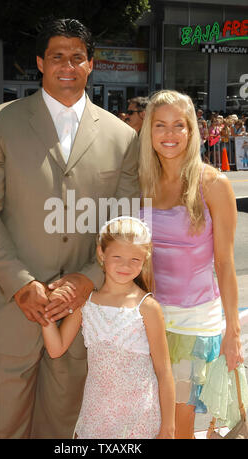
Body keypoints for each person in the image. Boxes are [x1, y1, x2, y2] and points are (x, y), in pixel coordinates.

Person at [0, 18, 139, 439]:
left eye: (78, 57)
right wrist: (20, 282)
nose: (67, 65)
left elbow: (126, 223)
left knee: (62, 431)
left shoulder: (121, 136)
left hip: (82, 317)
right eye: (57, 56)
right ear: (40, 62)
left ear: (91, 64)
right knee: (2, 428)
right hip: (14, 311)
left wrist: (88, 278)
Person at [139, 89, 243, 439]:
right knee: (151, 423)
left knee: (178, 428)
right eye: (160, 125)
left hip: (193, 325)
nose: (169, 135)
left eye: (178, 125)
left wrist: (233, 332)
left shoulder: (213, 184)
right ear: (148, 131)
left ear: (191, 131)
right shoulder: (139, 182)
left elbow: (226, 265)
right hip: (145, 321)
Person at [42, 216, 175, 439]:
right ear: (101, 254)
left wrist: (168, 428)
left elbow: (164, 370)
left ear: (145, 258)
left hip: (139, 416)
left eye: (135, 259)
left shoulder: (148, 307)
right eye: (117, 257)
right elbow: (56, 349)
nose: (125, 265)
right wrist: (45, 312)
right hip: (97, 414)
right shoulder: (86, 301)